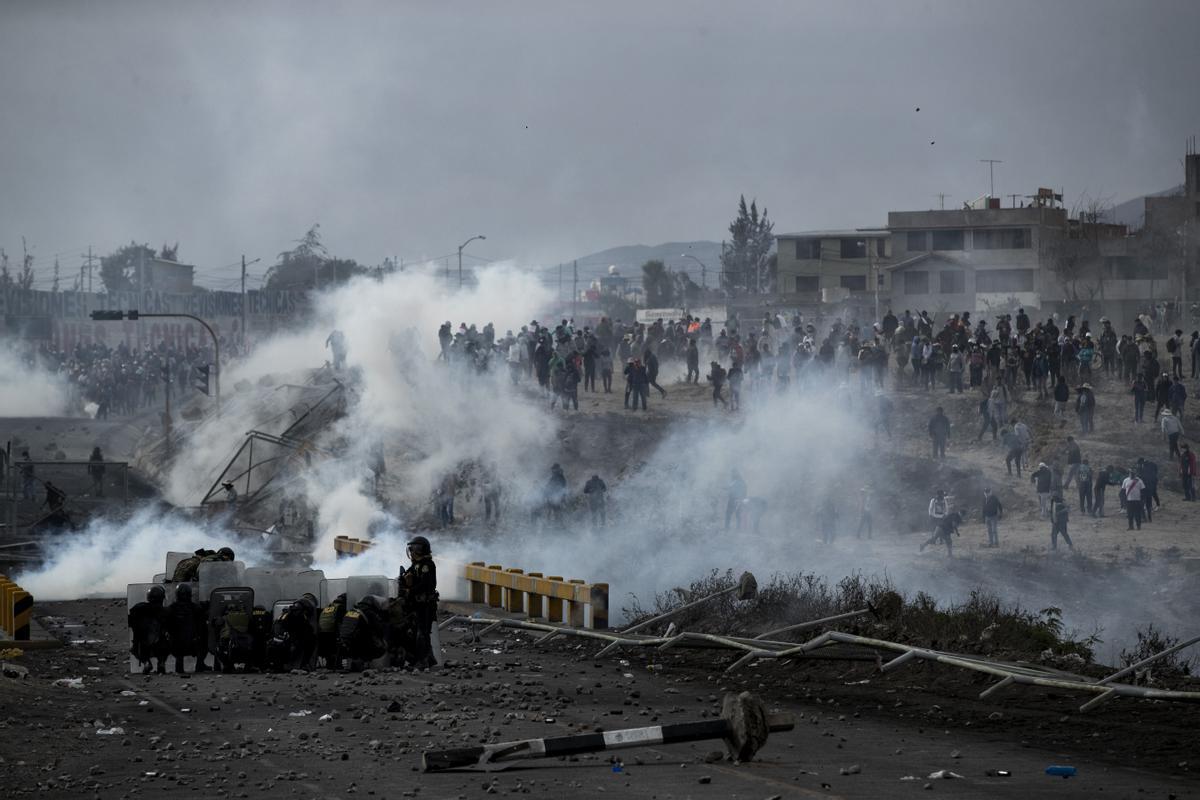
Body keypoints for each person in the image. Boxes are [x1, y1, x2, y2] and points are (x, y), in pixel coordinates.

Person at [399, 536, 439, 669]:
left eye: (416, 548)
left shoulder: (427, 565)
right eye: (412, 548)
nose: (413, 551)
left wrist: (411, 591)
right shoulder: (415, 564)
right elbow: (407, 577)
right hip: (417, 604)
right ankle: (426, 658)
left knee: (423, 632)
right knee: (415, 630)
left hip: (425, 604)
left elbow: (426, 584)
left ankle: (423, 661)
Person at [128, 585, 169, 675]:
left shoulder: (138, 609)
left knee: (135, 648)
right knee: (166, 642)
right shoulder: (165, 612)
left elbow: (130, 622)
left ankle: (146, 663)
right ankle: (161, 663)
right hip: (160, 646)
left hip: (142, 645)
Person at [166, 582, 198, 674]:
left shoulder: (171, 608)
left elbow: (167, 623)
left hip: (175, 644)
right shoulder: (194, 608)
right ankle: (200, 665)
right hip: (192, 643)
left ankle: (174, 667)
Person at [317, 593, 348, 669]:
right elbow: (339, 623)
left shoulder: (329, 606)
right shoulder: (341, 607)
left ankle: (330, 663)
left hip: (322, 632)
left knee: (329, 650)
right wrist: (341, 636)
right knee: (338, 646)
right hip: (332, 632)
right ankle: (337, 664)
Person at [1137, 457, 1160, 521]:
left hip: (1146, 486)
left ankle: (1144, 517)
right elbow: (1156, 472)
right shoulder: (1152, 464)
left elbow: (1141, 476)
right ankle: (1150, 517)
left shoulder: (1143, 467)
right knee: (1152, 496)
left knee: (1143, 501)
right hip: (1152, 483)